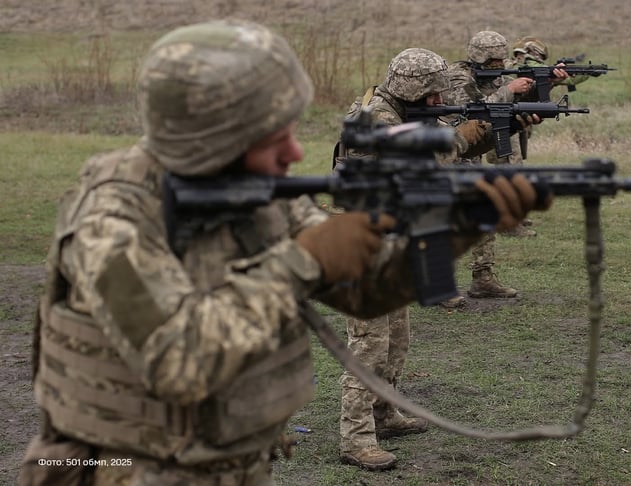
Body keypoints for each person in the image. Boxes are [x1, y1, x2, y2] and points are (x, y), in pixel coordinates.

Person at [18, 21, 546, 485]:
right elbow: (177, 361)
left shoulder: (255, 194)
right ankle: (357, 431)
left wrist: (466, 226)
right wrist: (307, 257)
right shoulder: (110, 216)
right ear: (204, 131)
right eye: (272, 134)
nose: (295, 153)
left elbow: (367, 293)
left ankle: (380, 415)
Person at [337, 47, 502, 471]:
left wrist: (496, 124)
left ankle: (384, 413)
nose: (437, 102)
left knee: (396, 338)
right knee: (368, 346)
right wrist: (474, 130)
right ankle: (355, 438)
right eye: (431, 95)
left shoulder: (399, 111)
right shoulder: (379, 119)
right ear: (411, 89)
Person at [443, 31, 559, 282]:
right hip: (450, 152)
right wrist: (508, 89)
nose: (499, 65)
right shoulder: (458, 76)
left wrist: (547, 83)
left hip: (471, 153)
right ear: (480, 57)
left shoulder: (495, 77)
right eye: (494, 60)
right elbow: (473, 109)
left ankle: (484, 278)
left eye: (500, 59)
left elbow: (510, 105)